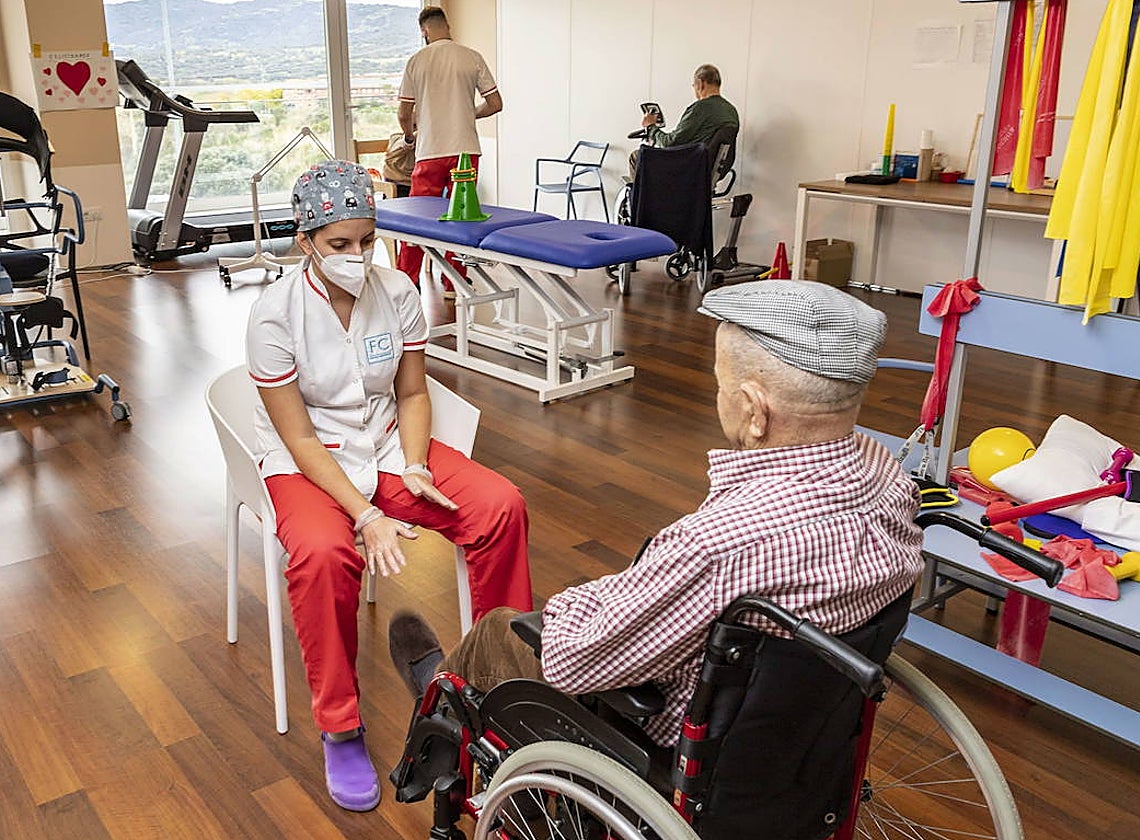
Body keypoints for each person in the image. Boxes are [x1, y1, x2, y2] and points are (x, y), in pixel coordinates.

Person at [389, 280, 924, 748]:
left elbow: (579, 659)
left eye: (720, 386)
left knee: (500, 631)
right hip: (801, 730)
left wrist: (576, 605)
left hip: (672, 732)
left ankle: (439, 704)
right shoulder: (893, 483)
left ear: (755, 411)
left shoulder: (722, 545)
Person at [245, 160, 532, 811]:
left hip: (386, 450)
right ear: (305, 239)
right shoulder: (273, 316)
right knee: (323, 555)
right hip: (308, 466)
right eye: (339, 244)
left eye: (365, 241)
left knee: (499, 506)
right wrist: (363, 515)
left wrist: (417, 465)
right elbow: (297, 439)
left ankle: (500, 681)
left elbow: (410, 390)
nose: (356, 256)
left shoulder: (397, 290)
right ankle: (341, 727)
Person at [396, 6, 503, 295]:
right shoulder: (472, 57)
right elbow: (495, 104)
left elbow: (405, 113)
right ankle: (454, 281)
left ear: (424, 30)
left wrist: (408, 138)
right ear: (448, 26)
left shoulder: (417, 61)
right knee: (460, 217)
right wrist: (468, 115)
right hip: (467, 150)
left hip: (431, 150)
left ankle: (408, 280)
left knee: (417, 220)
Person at [629, 63, 740, 180]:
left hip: (687, 168)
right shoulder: (732, 111)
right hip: (704, 171)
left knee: (636, 156)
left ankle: (642, 198)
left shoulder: (700, 108)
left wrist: (651, 127)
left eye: (694, 86)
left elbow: (670, 143)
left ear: (700, 84)